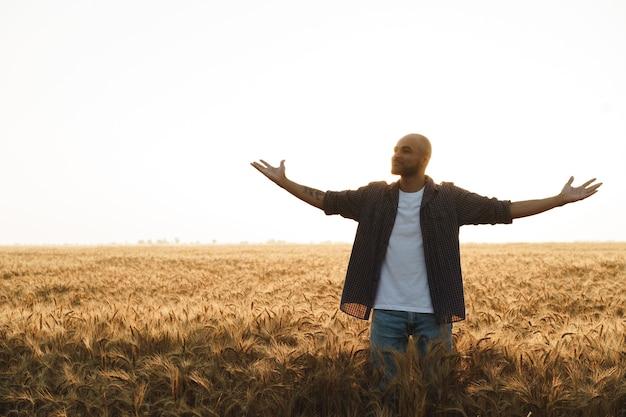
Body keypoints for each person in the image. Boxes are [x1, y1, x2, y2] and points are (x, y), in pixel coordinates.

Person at [250, 133, 601, 390]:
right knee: (385, 393)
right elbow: (327, 200)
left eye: (406, 150)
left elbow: (502, 210)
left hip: (434, 311)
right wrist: (284, 183)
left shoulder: (448, 198)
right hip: (386, 310)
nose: (397, 154)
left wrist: (557, 200)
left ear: (423, 159)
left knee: (436, 392)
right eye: (395, 149)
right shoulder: (374, 197)